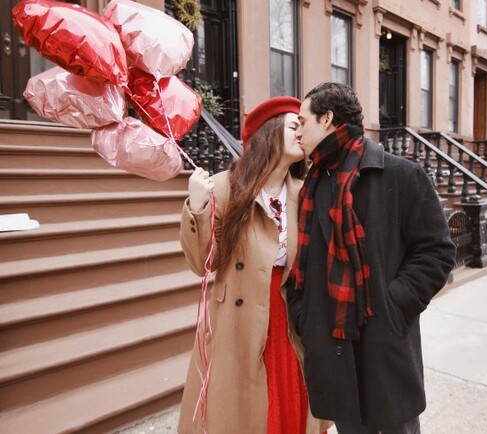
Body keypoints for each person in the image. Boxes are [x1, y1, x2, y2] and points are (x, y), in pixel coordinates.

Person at [287, 82, 456, 434]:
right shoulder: (313, 185)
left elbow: (437, 252)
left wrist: (394, 304)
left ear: (327, 119)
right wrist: (304, 315)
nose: (297, 131)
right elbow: (304, 262)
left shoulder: (401, 175)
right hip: (333, 350)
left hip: (385, 347)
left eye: (303, 122)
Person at [177, 96, 329, 434]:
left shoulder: (304, 192)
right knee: (242, 414)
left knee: (290, 404)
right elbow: (203, 263)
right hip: (238, 321)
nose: (301, 133)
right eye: (294, 126)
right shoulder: (225, 187)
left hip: (288, 315)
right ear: (269, 132)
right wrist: (197, 208)